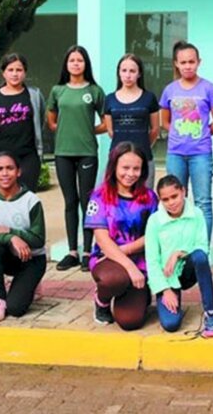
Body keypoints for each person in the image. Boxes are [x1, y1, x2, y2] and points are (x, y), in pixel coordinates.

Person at [85, 142, 158, 331]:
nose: (130, 173)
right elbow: (102, 240)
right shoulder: (99, 197)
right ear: (114, 167)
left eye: (136, 168)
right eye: (125, 167)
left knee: (130, 322)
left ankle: (139, 294)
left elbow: (153, 234)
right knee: (114, 280)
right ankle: (101, 301)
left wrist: (129, 253)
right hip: (108, 259)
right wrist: (129, 266)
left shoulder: (150, 197)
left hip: (140, 260)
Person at [47, 45, 107, 272]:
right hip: (63, 152)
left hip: (87, 152)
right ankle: (72, 251)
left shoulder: (94, 90)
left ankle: (87, 251)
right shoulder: (57, 90)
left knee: (87, 202)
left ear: (85, 64)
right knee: (70, 202)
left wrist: (89, 131)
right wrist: (64, 130)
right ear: (66, 64)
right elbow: (51, 121)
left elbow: (105, 121)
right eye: (71, 60)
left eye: (79, 60)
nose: (75, 64)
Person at [160, 41, 213, 243]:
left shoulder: (208, 88)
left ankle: (201, 248)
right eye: (183, 62)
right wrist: (177, 133)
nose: (188, 66)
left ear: (199, 62)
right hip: (175, 154)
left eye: (191, 61)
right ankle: (177, 245)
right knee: (175, 200)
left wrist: (204, 133)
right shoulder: (169, 90)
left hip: (201, 154)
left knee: (203, 202)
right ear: (176, 64)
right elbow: (165, 121)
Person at [145, 175, 213, 337]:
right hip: (168, 277)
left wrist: (178, 254)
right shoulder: (154, 221)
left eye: (174, 196)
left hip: (189, 270)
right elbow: (152, 261)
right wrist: (165, 290)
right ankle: (167, 297)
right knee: (171, 324)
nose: (171, 202)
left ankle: (210, 314)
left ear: (183, 191)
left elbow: (202, 247)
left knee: (200, 257)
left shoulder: (197, 214)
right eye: (165, 199)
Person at [0, 151, 48, 321]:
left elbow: (38, 240)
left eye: (9, 168)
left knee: (16, 308)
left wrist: (9, 231)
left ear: (18, 171)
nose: (4, 173)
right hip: (6, 257)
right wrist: (11, 238)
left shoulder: (31, 200)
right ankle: (0, 298)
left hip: (31, 259)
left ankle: (30, 283)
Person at [0, 53, 46, 193]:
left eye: (19, 70)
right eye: (10, 70)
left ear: (25, 72)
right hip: (0, 155)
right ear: (3, 73)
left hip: (27, 156)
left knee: (27, 199)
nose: (15, 74)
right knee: (2, 201)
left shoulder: (34, 95)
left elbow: (40, 119)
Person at [104, 54, 160, 187]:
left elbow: (155, 129)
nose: (128, 75)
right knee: (116, 202)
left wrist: (141, 145)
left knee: (145, 201)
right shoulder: (110, 99)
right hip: (117, 159)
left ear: (139, 73)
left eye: (132, 71)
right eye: (124, 71)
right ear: (119, 73)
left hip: (144, 157)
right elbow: (111, 131)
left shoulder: (149, 98)